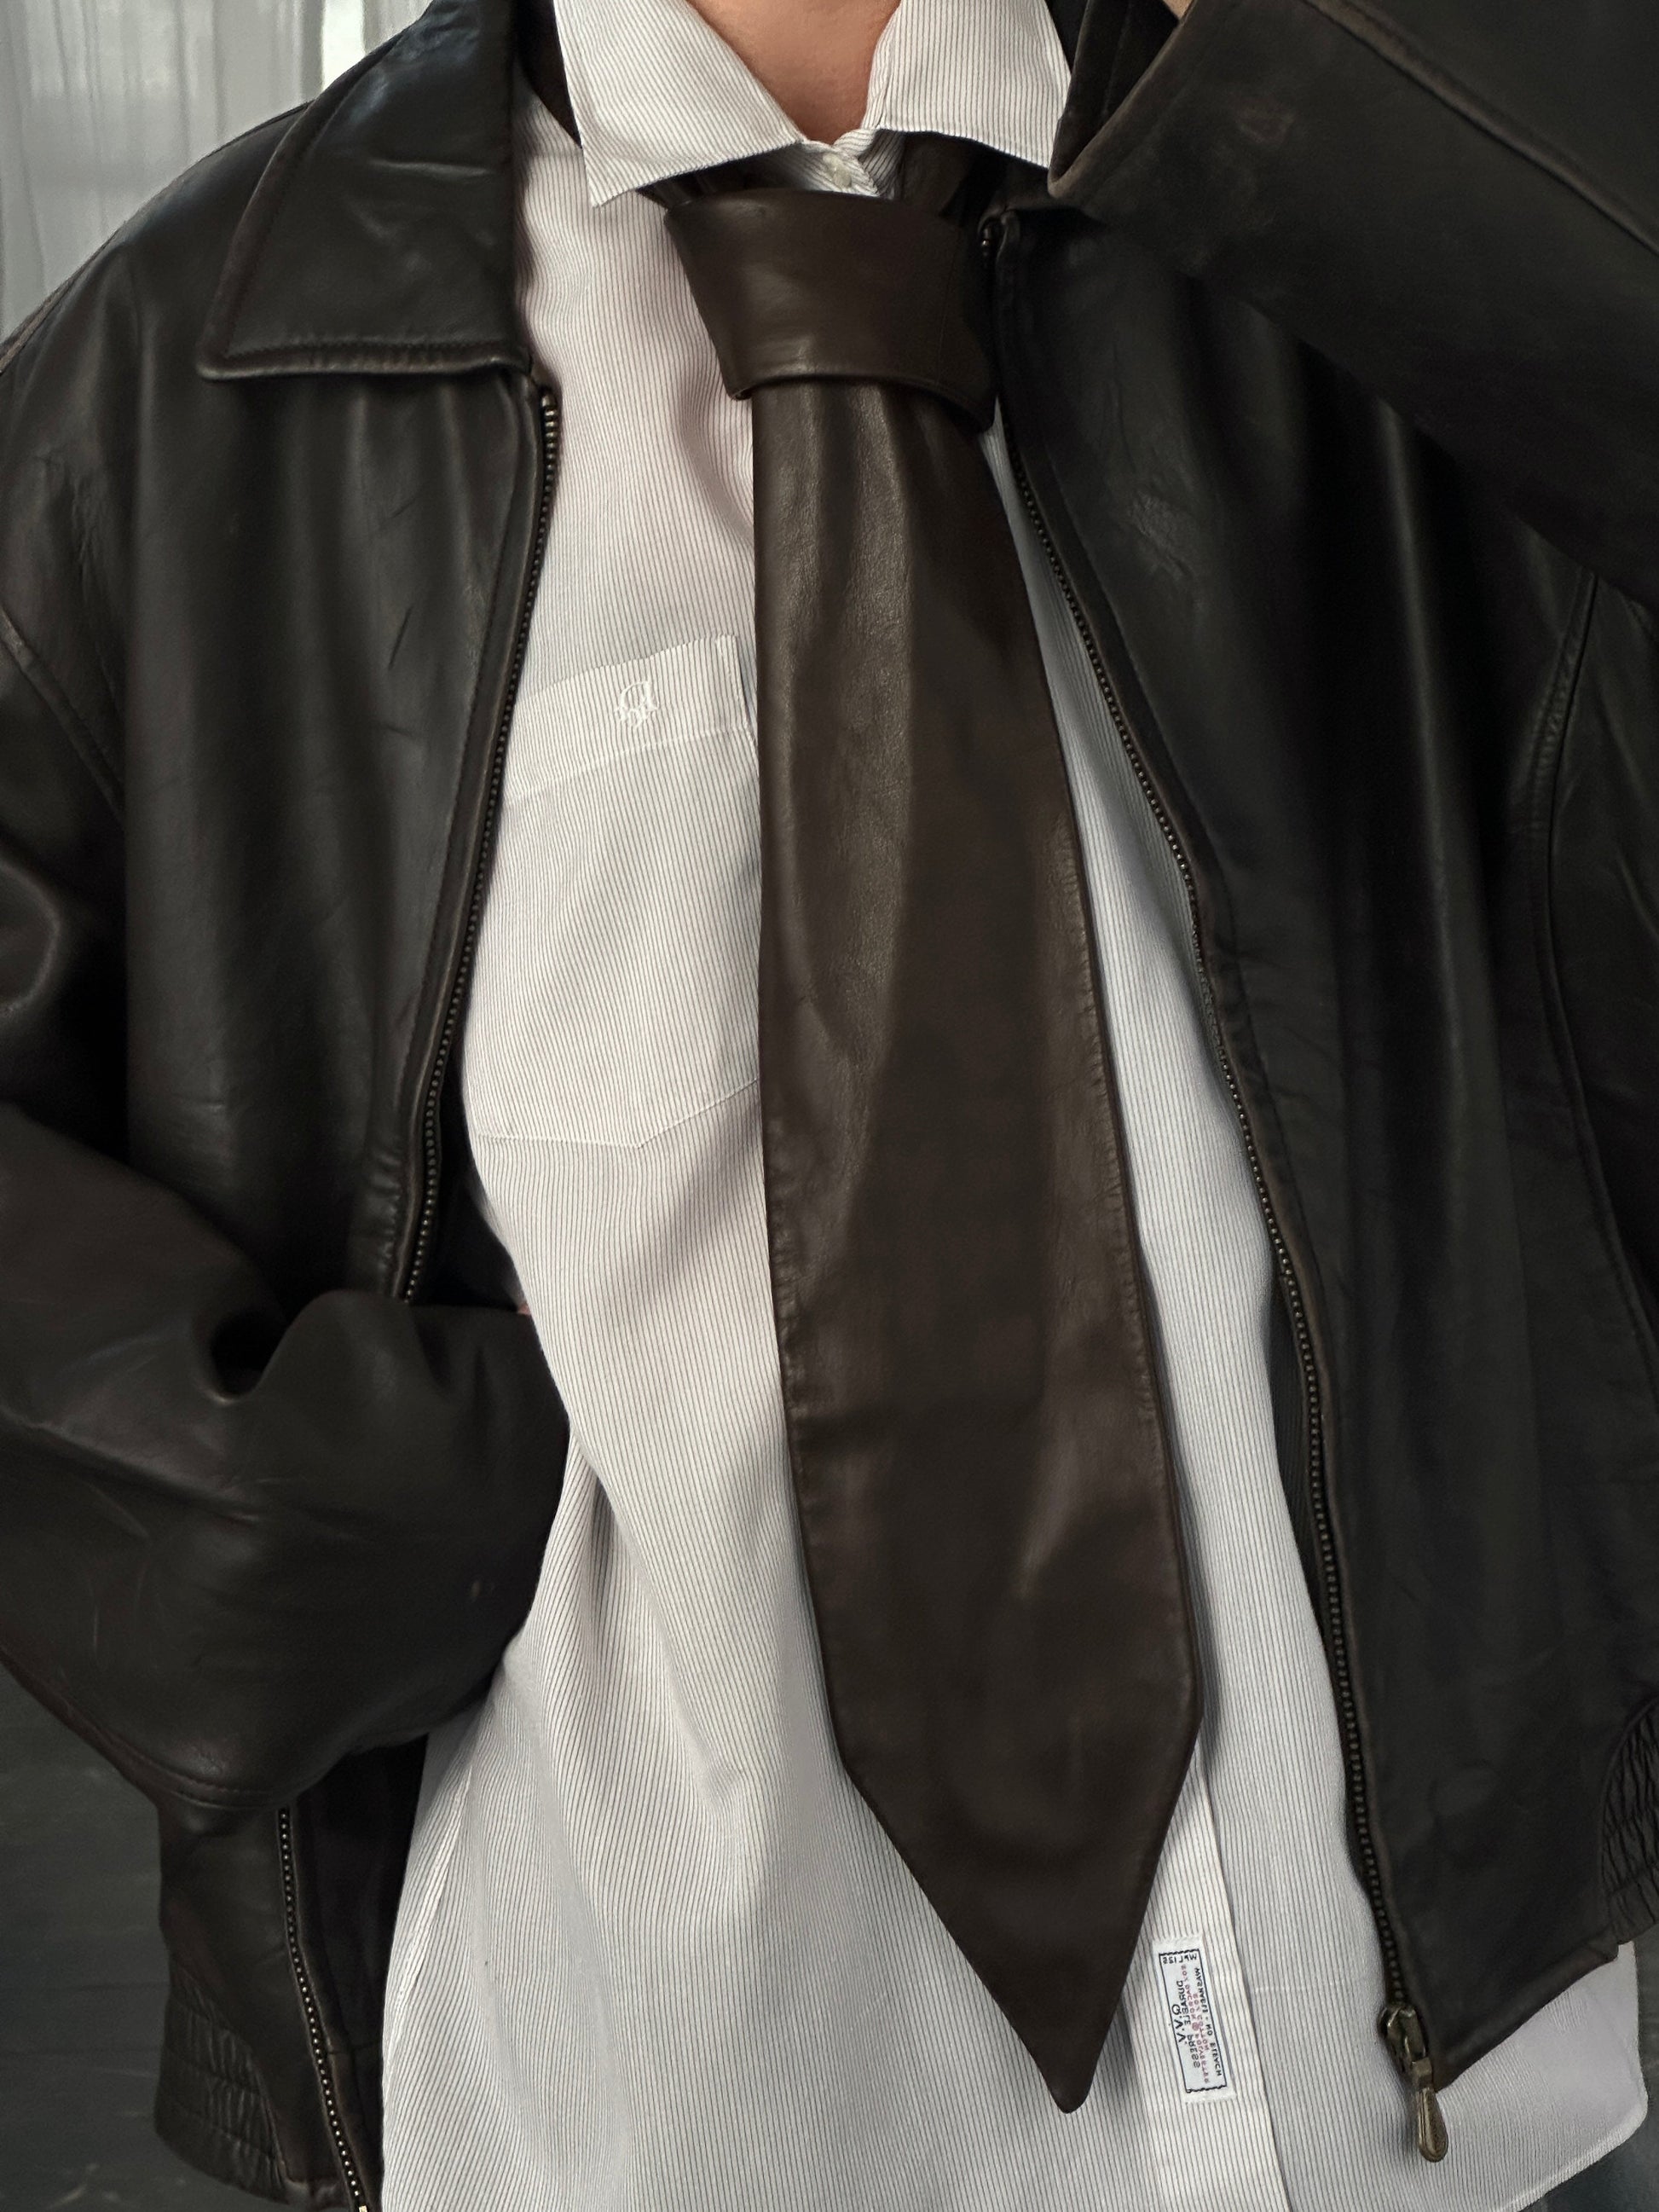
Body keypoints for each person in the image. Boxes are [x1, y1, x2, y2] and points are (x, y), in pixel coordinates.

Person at [3, 0, 1659, 2203]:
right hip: (645, 2100)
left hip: (1449, 2101)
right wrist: (314, 1512)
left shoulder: (1383, 201)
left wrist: (1367, 104)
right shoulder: (189, 372)